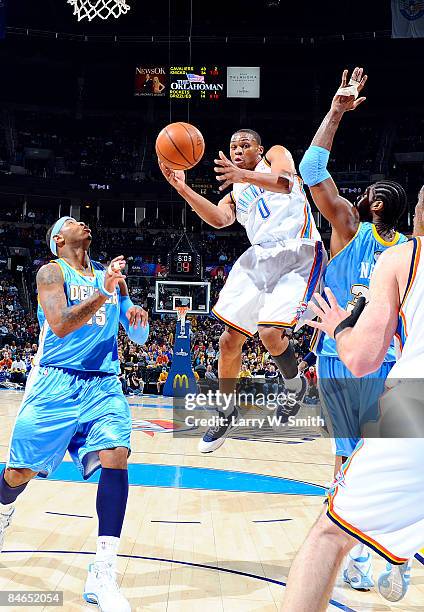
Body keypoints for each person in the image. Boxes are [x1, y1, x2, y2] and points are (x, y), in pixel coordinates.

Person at [283, 188, 424, 611]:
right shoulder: (362, 238)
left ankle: (372, 549)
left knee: (329, 535)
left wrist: (338, 326)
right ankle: (386, 551)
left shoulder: (402, 257)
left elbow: (362, 359)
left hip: (414, 401)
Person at [0, 216, 149, 612]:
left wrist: (138, 322)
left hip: (103, 382)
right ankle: (4, 510)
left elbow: (136, 332)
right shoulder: (52, 271)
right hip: (55, 383)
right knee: (18, 475)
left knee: (116, 454)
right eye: (70, 221)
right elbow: (61, 325)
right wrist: (104, 292)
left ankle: (103, 573)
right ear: (58, 240)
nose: (82, 221)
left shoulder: (109, 275)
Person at [299, 67, 408, 591]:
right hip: (340, 357)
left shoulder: (411, 252)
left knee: (399, 458)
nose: (375, 194)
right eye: (371, 190)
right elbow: (312, 167)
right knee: (350, 457)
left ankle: (393, 550)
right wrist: (338, 109)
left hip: (395, 364)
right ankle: (362, 552)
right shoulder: (347, 228)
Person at [159, 129, 326, 453]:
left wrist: (244, 174)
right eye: (233, 146)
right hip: (261, 256)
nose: (238, 150)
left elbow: (287, 183)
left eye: (245, 145)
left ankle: (294, 385)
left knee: (269, 334)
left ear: (259, 149)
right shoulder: (235, 188)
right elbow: (221, 219)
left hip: (299, 251)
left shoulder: (275, 154)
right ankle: (226, 410)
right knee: (228, 340)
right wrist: (182, 188)